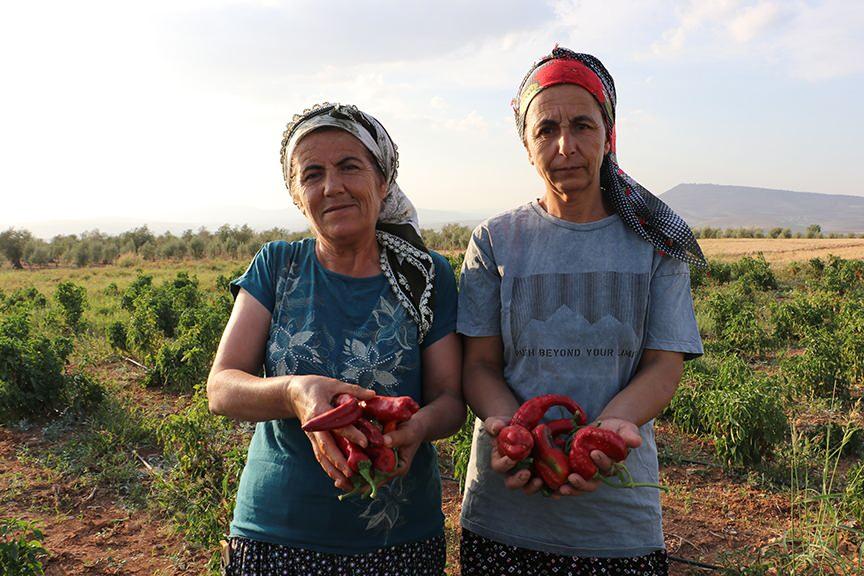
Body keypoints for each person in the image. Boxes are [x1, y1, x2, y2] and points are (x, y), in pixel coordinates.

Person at [457, 47, 707, 575]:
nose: (565, 146)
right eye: (546, 129)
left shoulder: (654, 240)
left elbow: (664, 364)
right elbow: (478, 364)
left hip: (616, 520)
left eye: (582, 125)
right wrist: (508, 429)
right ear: (526, 145)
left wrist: (611, 427)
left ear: (608, 134)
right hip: (505, 507)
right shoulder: (495, 240)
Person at [207, 102, 464, 576]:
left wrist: (418, 428)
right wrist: (294, 392)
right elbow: (221, 388)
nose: (332, 186)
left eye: (350, 166)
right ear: (296, 193)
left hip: (400, 540)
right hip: (277, 535)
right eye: (312, 174)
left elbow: (450, 399)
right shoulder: (277, 266)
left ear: (382, 181)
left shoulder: (426, 276)